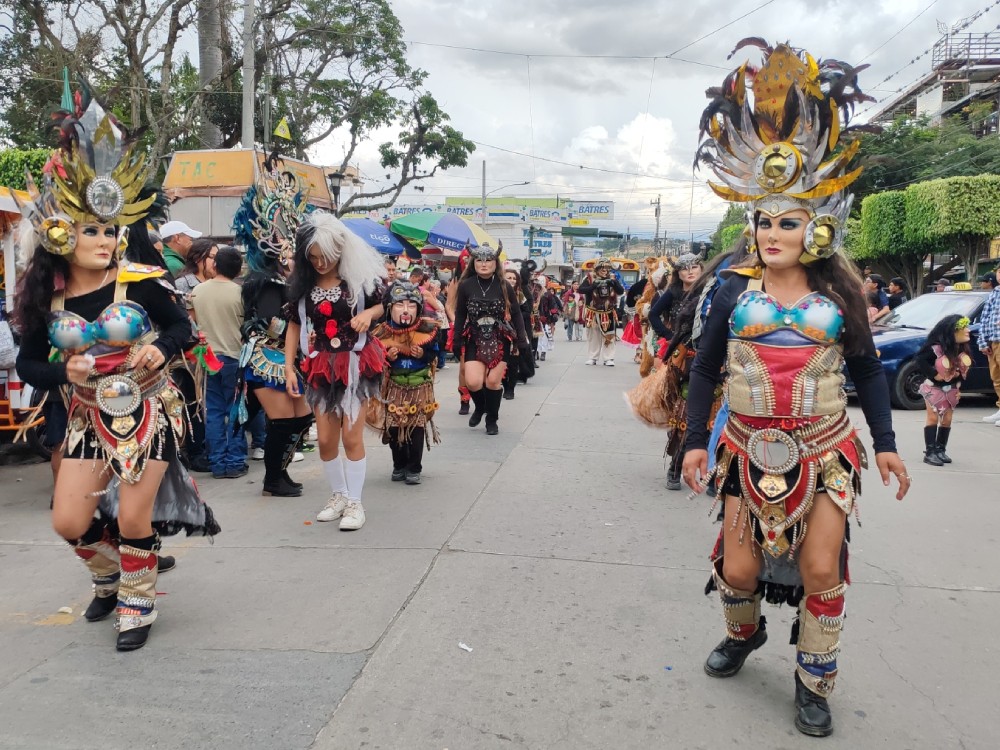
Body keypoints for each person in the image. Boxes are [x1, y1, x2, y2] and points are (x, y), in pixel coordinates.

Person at [682, 40, 909, 737]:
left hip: (826, 450)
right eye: (764, 219)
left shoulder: (841, 293)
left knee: (818, 568)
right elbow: (703, 367)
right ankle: (743, 633)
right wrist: (695, 441)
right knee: (742, 571)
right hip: (747, 449)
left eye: (788, 220)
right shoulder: (730, 291)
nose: (773, 231)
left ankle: (815, 681)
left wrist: (889, 444)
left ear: (817, 226)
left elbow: (869, 370)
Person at [14, 93, 219, 651]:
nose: (105, 241)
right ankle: (109, 577)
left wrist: (162, 350)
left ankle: (138, 600)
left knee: (133, 517)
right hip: (83, 418)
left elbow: (184, 328)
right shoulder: (45, 296)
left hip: (147, 411)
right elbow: (30, 361)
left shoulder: (141, 280)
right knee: (67, 523)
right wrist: (64, 372)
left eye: (110, 231)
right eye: (91, 232)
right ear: (61, 236)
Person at [285, 212, 387, 530]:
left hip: (356, 364)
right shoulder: (302, 288)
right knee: (326, 440)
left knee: (351, 436)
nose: (320, 263)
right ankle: (339, 494)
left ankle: (356, 503)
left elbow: (383, 305)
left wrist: (368, 314)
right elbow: (294, 325)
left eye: (326, 256)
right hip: (320, 368)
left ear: (340, 250)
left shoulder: (357, 283)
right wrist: (288, 367)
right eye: (313, 257)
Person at [233, 164, 313, 497]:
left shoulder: (293, 283)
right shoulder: (263, 282)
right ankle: (272, 480)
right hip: (265, 359)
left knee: (301, 418)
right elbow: (270, 322)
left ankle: (279, 472)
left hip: (288, 359)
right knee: (283, 420)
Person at [452, 245, 528, 435]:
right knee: (473, 382)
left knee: (493, 382)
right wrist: (456, 339)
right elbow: (460, 314)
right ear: (473, 262)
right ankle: (480, 407)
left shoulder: (505, 285)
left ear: (496, 263)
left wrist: (522, 339)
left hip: (500, 336)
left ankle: (491, 419)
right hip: (474, 337)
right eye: (479, 260)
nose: (484, 264)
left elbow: (517, 313)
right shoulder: (466, 285)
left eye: (488, 260)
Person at [372, 281, 441, 484]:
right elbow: (375, 361)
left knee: (416, 428)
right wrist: (388, 358)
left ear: (418, 309)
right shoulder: (381, 332)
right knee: (394, 428)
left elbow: (435, 353)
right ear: (390, 308)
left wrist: (424, 354)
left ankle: (414, 467)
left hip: (419, 386)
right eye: (400, 305)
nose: (405, 310)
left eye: (411, 306)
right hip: (394, 387)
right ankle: (398, 464)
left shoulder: (428, 329)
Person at [189, 246, 248, 478]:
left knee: (212, 412)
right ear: (237, 268)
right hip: (234, 357)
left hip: (207, 358)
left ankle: (217, 463)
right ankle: (234, 463)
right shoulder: (241, 293)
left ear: (215, 265)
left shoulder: (198, 291)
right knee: (234, 409)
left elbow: (191, 323)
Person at [917, 315, 973, 465]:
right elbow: (920, 360)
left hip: (952, 389)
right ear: (952, 332)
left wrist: (959, 386)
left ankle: (940, 449)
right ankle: (929, 452)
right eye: (964, 328)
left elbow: (962, 371)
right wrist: (934, 374)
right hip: (933, 387)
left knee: (947, 419)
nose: (968, 330)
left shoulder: (961, 349)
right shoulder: (935, 348)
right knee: (933, 417)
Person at [578, 260, 625, 366]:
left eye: (607, 268)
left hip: (608, 312)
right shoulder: (590, 277)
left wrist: (614, 283)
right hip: (593, 312)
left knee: (609, 335)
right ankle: (592, 357)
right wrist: (593, 286)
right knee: (593, 336)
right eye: (602, 268)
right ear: (597, 269)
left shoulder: (612, 278)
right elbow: (581, 290)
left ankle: (609, 358)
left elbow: (621, 291)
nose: (605, 271)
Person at [979, 266, 1000, 425]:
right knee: (996, 377)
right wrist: (982, 341)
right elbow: (984, 319)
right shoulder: (994, 293)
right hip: (993, 340)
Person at [537, 280, 562, 361]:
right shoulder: (531, 292)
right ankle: (535, 352)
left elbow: (553, 305)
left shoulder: (548, 295)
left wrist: (554, 314)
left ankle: (543, 352)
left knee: (544, 336)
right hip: (532, 318)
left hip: (545, 318)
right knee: (535, 337)